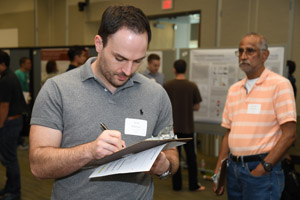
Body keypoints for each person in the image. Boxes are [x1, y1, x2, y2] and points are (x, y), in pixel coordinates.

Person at [29, 5, 179, 200]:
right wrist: (89, 151)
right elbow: (38, 166)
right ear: (99, 44)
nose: (127, 70)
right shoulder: (57, 90)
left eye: (137, 61)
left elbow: (172, 154)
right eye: (120, 58)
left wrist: (164, 166)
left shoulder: (156, 94)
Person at [214, 33, 297, 199]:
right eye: (240, 51)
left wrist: (264, 167)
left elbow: (289, 134)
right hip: (233, 169)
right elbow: (228, 133)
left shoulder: (279, 85)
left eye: (250, 51)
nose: (243, 56)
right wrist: (219, 170)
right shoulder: (234, 89)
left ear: (264, 55)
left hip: (260, 170)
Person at [164, 59, 205, 192]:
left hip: (173, 129)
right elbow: (197, 106)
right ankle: (193, 185)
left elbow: (164, 107)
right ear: (185, 69)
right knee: (191, 158)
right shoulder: (192, 86)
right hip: (188, 128)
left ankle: (177, 186)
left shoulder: (167, 85)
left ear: (174, 69)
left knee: (174, 157)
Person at [0, 50, 26, 200]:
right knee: (10, 158)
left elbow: (4, 107)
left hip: (9, 124)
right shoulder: (9, 76)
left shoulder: (6, 80)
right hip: (13, 122)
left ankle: (14, 192)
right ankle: (10, 187)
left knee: (10, 159)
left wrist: (0, 126)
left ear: (2, 64)